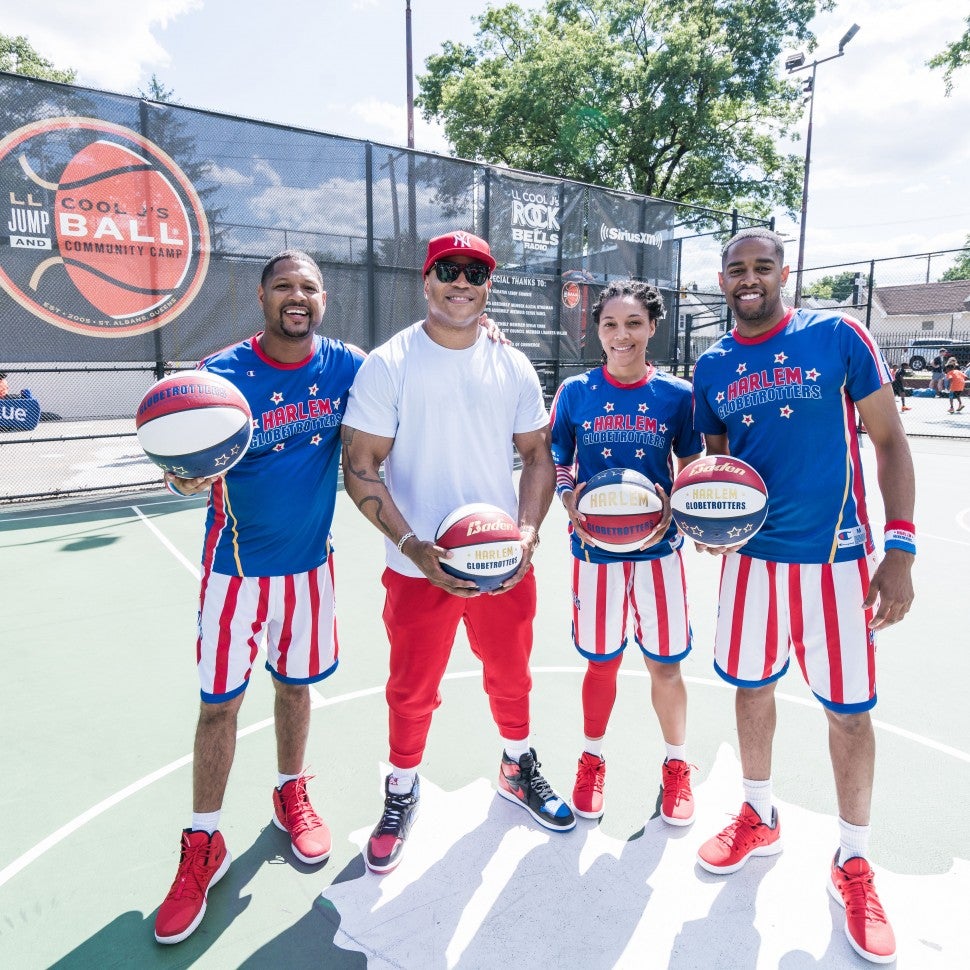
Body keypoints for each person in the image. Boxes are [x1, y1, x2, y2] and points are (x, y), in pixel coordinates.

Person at [690, 228, 915, 965]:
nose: (749, 279)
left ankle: (853, 859)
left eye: (763, 267)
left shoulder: (837, 336)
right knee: (751, 689)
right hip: (752, 564)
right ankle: (758, 815)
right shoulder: (712, 365)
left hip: (836, 561)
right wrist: (710, 521)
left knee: (848, 712)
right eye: (737, 269)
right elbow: (718, 466)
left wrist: (901, 548)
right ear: (722, 280)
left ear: (784, 273)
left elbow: (890, 441)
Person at [340, 230, 575, 875]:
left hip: (501, 558)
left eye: (476, 272)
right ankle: (402, 786)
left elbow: (537, 456)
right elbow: (360, 467)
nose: (462, 282)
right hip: (418, 566)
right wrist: (413, 547)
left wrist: (527, 533)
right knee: (411, 689)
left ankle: (517, 765)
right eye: (449, 270)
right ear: (427, 280)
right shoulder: (389, 364)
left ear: (488, 285)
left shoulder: (512, 364)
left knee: (512, 675)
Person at [153, 250, 364, 945]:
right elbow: (180, 457)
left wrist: (484, 332)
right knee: (219, 706)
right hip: (233, 574)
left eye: (309, 287)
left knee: (295, 689)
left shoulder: (346, 367)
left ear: (323, 299)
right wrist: (181, 476)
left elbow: (411, 374)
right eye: (283, 286)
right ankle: (203, 842)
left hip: (309, 571)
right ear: (262, 295)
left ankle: (289, 790)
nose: (296, 297)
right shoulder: (218, 376)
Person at [549, 280, 702, 823]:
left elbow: (691, 467)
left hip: (659, 551)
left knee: (666, 665)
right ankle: (592, 758)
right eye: (610, 324)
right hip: (596, 552)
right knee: (602, 663)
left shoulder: (677, 396)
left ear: (652, 327)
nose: (622, 334)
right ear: (597, 330)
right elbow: (560, 460)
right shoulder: (575, 392)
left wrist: (674, 504)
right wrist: (568, 498)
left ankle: (677, 765)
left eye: (634, 323)